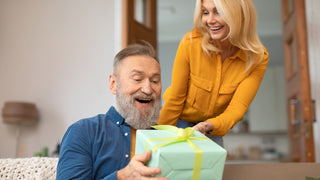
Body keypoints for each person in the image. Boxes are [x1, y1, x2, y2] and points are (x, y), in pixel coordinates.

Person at [157, 0, 269, 146]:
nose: (209, 20)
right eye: (205, 12)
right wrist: (159, 136)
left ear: (240, 14)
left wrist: (208, 126)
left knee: (209, 168)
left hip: (211, 128)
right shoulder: (190, 43)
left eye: (219, 12)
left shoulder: (257, 57)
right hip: (178, 121)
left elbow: (237, 109)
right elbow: (175, 98)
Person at [56, 43, 167, 180]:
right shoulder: (83, 132)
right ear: (114, 84)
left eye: (155, 81)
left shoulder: (168, 136)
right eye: (137, 79)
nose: (148, 89)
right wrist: (122, 177)